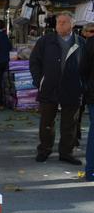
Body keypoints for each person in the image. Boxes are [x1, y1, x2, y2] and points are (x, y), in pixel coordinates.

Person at [30, 12, 84, 164]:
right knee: (46, 122)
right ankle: (44, 150)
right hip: (49, 87)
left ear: (72, 25)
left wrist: (83, 84)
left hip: (72, 88)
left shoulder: (80, 42)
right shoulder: (45, 41)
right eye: (58, 22)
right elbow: (34, 61)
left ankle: (66, 153)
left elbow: (87, 66)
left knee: (70, 124)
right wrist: (38, 80)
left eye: (64, 22)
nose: (59, 24)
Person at [80, 30, 94, 181]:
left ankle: (91, 171)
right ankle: (91, 171)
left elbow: (82, 69)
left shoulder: (90, 43)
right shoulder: (90, 43)